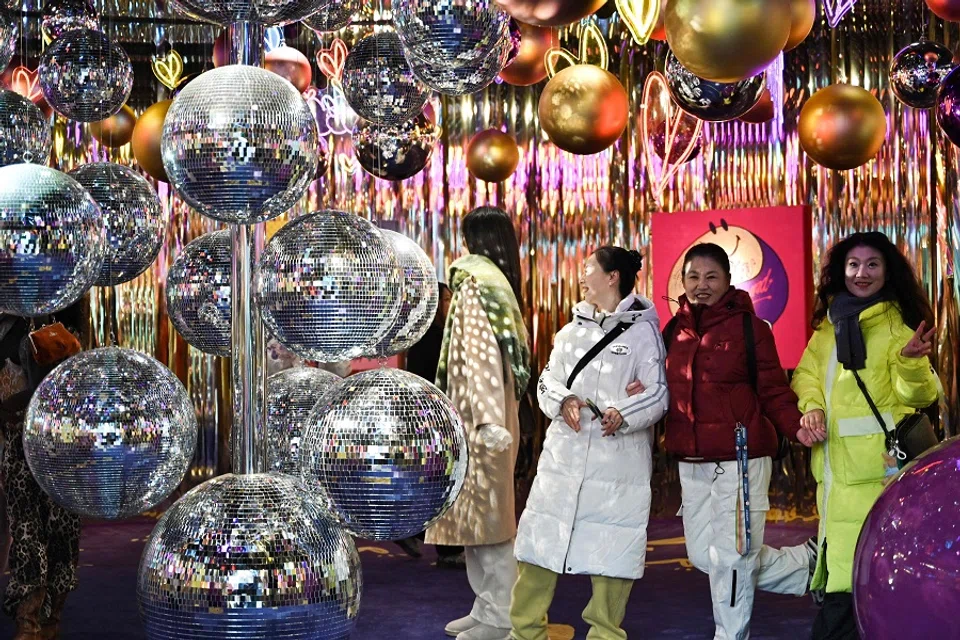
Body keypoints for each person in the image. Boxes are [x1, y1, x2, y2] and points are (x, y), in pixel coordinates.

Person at [511, 246, 669, 640]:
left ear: (612, 276)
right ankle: (524, 632)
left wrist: (624, 412)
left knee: (612, 554)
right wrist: (562, 400)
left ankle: (605, 634)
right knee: (539, 547)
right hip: (563, 458)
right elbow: (547, 379)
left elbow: (658, 393)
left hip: (618, 464)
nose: (582, 277)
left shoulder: (644, 334)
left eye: (588, 269)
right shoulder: (570, 330)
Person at [662, 242, 818, 640]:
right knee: (703, 556)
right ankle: (806, 567)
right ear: (683, 280)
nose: (701, 285)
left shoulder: (752, 327)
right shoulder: (673, 331)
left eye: (711, 277)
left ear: (728, 281)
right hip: (691, 459)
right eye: (694, 276)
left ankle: (730, 635)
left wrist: (794, 426)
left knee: (732, 556)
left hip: (740, 457)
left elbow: (773, 389)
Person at [791, 232, 939, 640]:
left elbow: (923, 396)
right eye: (853, 265)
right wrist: (812, 408)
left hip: (881, 478)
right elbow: (806, 375)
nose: (861, 273)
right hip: (835, 478)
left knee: (854, 590)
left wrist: (911, 364)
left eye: (872, 264)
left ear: (887, 271)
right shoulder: (828, 328)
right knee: (852, 589)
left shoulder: (897, 329)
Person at [427, 207, 531, 640]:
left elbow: (480, 357)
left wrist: (486, 421)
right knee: (477, 519)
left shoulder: (474, 285)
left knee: (490, 521)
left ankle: (501, 615)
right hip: (490, 414)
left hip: (480, 419)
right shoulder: (498, 284)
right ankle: (486, 604)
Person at [1, 299, 86, 640]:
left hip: (59, 441)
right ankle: (28, 618)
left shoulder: (66, 314)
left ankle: (51, 618)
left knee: (61, 527)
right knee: (25, 526)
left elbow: (75, 379)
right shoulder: (6, 319)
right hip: (17, 440)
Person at [394, 283, 465, 568]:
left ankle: (412, 530)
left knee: (431, 482)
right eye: (447, 299)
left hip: (425, 419)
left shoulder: (423, 336)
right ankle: (444, 545)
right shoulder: (436, 338)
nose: (452, 305)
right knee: (443, 482)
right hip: (435, 420)